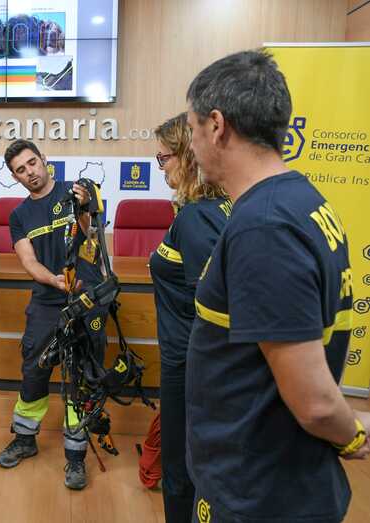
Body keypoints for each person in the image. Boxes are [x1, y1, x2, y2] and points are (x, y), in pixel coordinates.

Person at [185, 50, 370, 523]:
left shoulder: (263, 227)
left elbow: (315, 403)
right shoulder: (300, 199)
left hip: (257, 490)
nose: (191, 145)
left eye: (191, 128)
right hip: (274, 476)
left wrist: (353, 435)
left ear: (216, 125)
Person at [0, 139, 107, 490]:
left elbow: (91, 232)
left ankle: (76, 455)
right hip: (46, 301)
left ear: (43, 159)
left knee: (82, 376)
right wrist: (54, 280)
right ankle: (25, 438)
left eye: (32, 163)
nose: (30, 172)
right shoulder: (18, 216)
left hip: (86, 299)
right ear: (15, 177)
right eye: (20, 170)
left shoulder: (76, 192)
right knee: (34, 369)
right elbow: (28, 261)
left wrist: (86, 206)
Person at [148, 112, 230, 522]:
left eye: (164, 157)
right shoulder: (220, 205)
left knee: (180, 469)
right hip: (196, 363)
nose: (161, 167)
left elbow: (214, 303)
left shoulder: (196, 217)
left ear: (188, 154)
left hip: (189, 365)